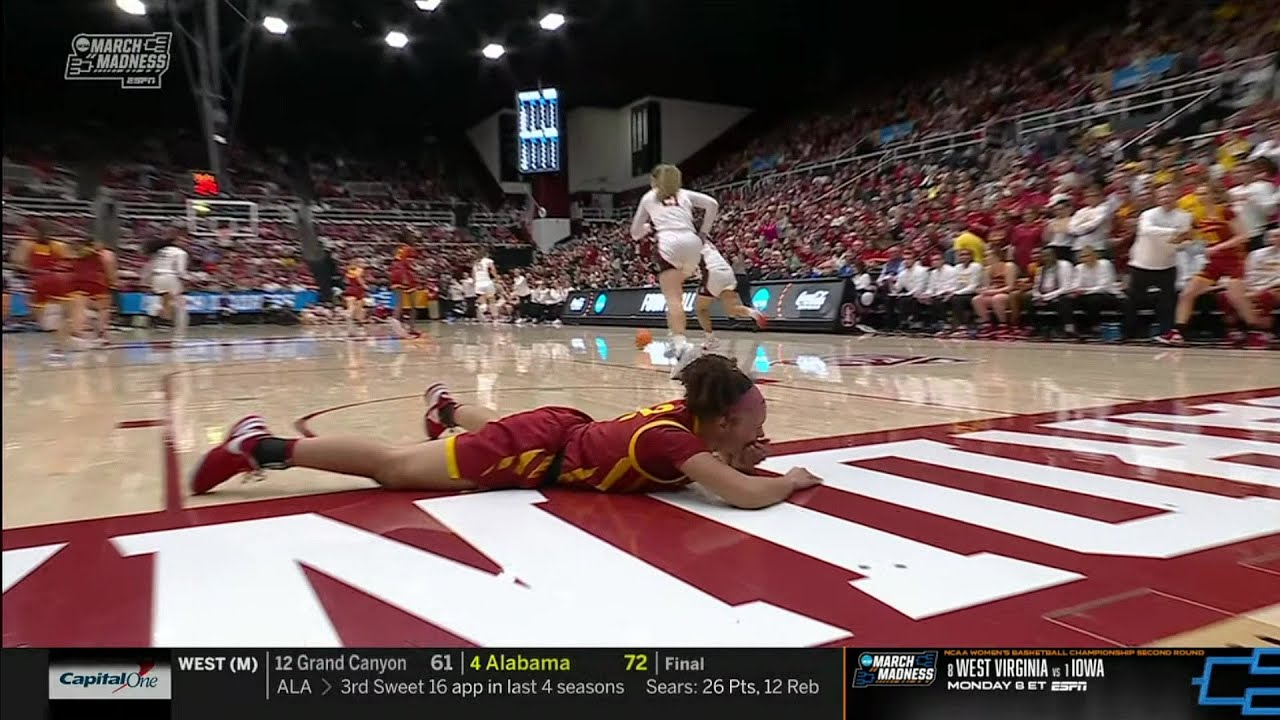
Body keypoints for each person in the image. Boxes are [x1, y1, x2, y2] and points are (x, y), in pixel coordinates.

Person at [189, 354, 823, 510]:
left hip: (562, 433)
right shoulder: (676, 442)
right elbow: (738, 493)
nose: (764, 431)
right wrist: (785, 479)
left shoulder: (695, 425)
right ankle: (260, 444)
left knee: (498, 429)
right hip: (540, 450)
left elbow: (719, 465)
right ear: (726, 419)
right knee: (394, 468)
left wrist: (740, 454)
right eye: (756, 425)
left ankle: (447, 409)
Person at [630, 164, 719, 363]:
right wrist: (704, 232)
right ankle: (675, 335)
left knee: (673, 299)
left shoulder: (649, 197)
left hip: (669, 243)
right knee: (677, 292)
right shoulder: (684, 194)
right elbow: (712, 204)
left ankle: (680, 344)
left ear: (654, 180)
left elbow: (635, 233)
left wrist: (646, 227)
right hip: (693, 243)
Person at [1162, 184, 1268, 348]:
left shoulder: (1226, 212)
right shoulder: (1199, 216)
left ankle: (1257, 333)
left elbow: (1243, 237)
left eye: (1204, 193)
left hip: (1234, 260)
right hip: (1215, 262)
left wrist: (1218, 247)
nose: (1201, 197)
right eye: (1198, 194)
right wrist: (1175, 238)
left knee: (1237, 298)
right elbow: (1190, 234)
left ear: (1213, 194)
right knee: (1187, 293)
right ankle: (1178, 332)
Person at [1126, 184, 1192, 341]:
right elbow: (1147, 230)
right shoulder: (1148, 214)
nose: (1166, 199)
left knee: (1168, 302)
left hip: (1166, 264)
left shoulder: (1185, 216)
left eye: (1169, 195)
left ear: (1176, 197)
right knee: (1133, 300)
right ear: (1157, 198)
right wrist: (1173, 233)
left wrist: (1179, 239)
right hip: (1142, 263)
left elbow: (1184, 241)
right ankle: (1129, 333)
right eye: (1162, 196)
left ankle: (1166, 333)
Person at [11, 221, 77, 359]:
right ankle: (61, 344)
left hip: (38, 281)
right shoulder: (60, 245)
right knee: (65, 317)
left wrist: (30, 267)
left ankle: (59, 343)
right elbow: (72, 262)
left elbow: (17, 261)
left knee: (43, 320)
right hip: (59, 281)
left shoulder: (26, 244)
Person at [691, 242, 767, 356]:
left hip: (712, 274)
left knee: (701, 309)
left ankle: (711, 339)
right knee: (731, 308)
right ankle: (752, 312)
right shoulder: (707, 242)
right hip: (727, 272)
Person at [68, 237, 117, 346]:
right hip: (97, 282)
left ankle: (77, 334)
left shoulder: (76, 253)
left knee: (79, 309)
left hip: (78, 281)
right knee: (104, 309)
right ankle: (101, 334)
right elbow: (110, 271)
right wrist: (113, 282)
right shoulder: (106, 254)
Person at [146, 232, 190, 340]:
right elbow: (180, 270)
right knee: (175, 300)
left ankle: (157, 318)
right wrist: (189, 278)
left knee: (165, 300)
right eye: (183, 240)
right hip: (170, 276)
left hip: (157, 276)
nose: (186, 242)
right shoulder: (180, 253)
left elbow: (153, 265)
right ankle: (168, 323)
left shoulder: (161, 251)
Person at [342, 258, 368, 336]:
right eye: (363, 262)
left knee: (351, 307)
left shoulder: (349, 270)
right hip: (358, 289)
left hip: (349, 289)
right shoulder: (359, 270)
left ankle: (350, 321)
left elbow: (346, 281)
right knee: (359, 309)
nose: (364, 264)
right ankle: (360, 326)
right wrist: (364, 285)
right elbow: (359, 279)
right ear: (358, 263)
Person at [472, 250, 498, 322]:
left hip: (478, 284)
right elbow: (492, 270)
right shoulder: (488, 261)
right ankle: (495, 317)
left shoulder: (475, 263)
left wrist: (474, 285)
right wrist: (497, 278)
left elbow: (473, 275)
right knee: (491, 300)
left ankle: (481, 315)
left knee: (483, 302)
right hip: (487, 282)